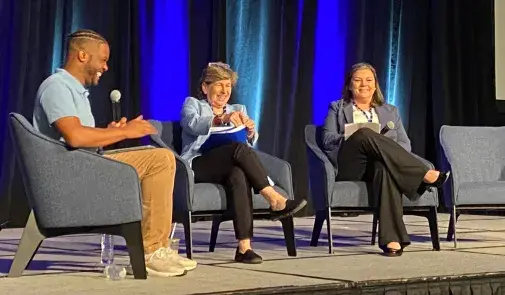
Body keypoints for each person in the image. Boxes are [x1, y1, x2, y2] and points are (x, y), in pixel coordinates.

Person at [32, 29, 197, 276]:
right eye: (103, 60)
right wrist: (124, 132)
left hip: (84, 165)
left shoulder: (72, 89)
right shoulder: (57, 87)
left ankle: (159, 247)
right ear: (82, 55)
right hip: (69, 177)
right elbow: (75, 137)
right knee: (159, 159)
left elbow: (81, 138)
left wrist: (108, 132)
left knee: (160, 158)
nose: (106, 67)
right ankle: (151, 250)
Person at [180, 62, 307, 264]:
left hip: (229, 162)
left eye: (228, 86)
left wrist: (249, 132)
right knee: (238, 150)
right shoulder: (193, 104)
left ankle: (244, 248)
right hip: (200, 163)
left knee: (238, 174)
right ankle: (274, 198)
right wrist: (221, 119)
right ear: (205, 87)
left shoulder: (238, 109)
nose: (224, 91)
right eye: (219, 85)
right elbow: (191, 123)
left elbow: (248, 141)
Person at [321, 62, 450, 257]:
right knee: (364, 132)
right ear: (349, 85)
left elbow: (405, 145)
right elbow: (327, 140)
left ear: (375, 85)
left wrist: (383, 149)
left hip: (379, 167)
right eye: (357, 80)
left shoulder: (390, 111)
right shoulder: (337, 108)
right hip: (351, 164)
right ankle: (422, 174)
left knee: (384, 167)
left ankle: (392, 239)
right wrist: (352, 134)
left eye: (368, 80)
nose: (364, 84)